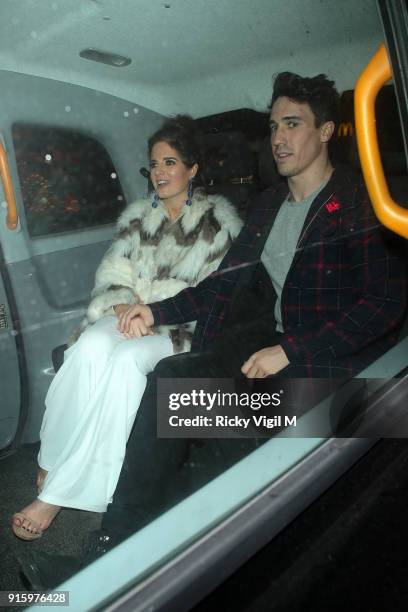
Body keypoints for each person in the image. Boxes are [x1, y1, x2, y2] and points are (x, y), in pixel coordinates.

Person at [17, 72, 406, 586]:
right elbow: (223, 285)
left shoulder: (358, 201)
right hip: (266, 356)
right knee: (170, 381)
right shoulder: (269, 206)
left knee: (216, 456)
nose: (279, 139)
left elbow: (385, 305)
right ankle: (108, 547)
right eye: (272, 127)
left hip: (326, 374)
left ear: (328, 131)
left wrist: (291, 349)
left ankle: (142, 571)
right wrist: (159, 312)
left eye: (293, 125)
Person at [11, 115, 243, 541]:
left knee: (126, 361)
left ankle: (59, 496)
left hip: (179, 330)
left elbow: (217, 298)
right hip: (130, 315)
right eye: (154, 164)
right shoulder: (138, 217)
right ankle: (54, 455)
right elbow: (113, 270)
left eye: (170, 163)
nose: (159, 173)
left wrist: (158, 316)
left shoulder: (220, 226)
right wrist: (120, 305)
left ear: (193, 170)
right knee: (89, 348)